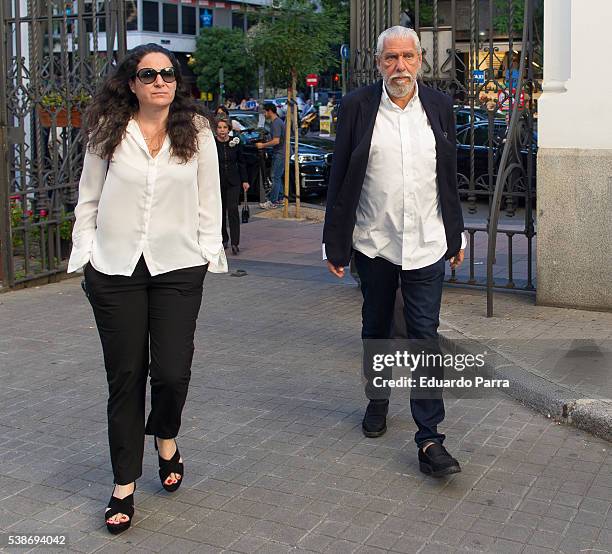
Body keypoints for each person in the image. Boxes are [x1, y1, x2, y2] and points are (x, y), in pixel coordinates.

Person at [67, 43, 227, 534]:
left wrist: (205, 253)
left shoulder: (197, 132)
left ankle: (167, 437)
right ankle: (123, 484)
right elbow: (88, 199)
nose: (161, 81)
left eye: (168, 73)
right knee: (126, 375)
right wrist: (88, 255)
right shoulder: (107, 130)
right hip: (116, 270)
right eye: (149, 74)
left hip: (178, 267)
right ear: (131, 83)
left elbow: (209, 200)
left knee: (174, 372)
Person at [322, 26, 466, 477]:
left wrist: (455, 236)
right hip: (375, 242)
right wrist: (335, 240)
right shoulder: (357, 107)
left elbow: (448, 177)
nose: (399, 67)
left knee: (426, 336)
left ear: (420, 59)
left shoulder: (440, 107)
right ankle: (378, 399)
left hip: (427, 240)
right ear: (379, 62)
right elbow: (341, 175)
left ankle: (430, 439)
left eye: (407, 57)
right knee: (376, 326)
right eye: (391, 58)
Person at [215, 117, 249, 254]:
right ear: (216, 129)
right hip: (217, 181)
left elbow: (241, 162)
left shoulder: (235, 143)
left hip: (234, 181)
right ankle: (224, 238)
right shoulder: (212, 144)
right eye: (219, 127)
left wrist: (245, 180)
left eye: (225, 127)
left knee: (233, 209)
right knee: (220, 212)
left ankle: (235, 242)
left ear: (229, 129)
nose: (222, 130)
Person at [256, 103, 286, 209]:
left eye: (264, 111)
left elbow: (276, 141)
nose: (264, 114)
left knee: (275, 177)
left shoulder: (276, 123)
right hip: (280, 152)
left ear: (269, 111)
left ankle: (272, 201)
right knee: (277, 176)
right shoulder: (277, 122)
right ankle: (280, 198)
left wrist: (262, 145)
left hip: (280, 153)